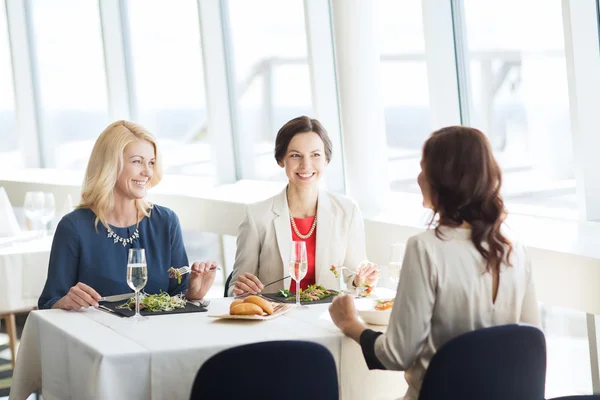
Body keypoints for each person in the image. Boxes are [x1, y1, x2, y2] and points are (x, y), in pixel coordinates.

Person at [328, 126, 540, 400]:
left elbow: (397, 355)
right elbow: (530, 341)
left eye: (423, 167)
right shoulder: (516, 251)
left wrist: (351, 324)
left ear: (443, 180)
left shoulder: (425, 248)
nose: (418, 177)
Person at [38, 120, 216, 310]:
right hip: (97, 336)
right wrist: (65, 302)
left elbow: (177, 297)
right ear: (110, 165)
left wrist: (193, 294)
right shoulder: (74, 227)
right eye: (137, 161)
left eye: (151, 162)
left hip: (157, 336)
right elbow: (49, 303)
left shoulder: (165, 221)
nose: (148, 172)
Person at [229, 116, 379, 296]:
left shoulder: (347, 211)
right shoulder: (257, 216)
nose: (306, 165)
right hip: (273, 318)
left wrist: (363, 281)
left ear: (326, 159)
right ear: (281, 160)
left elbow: (356, 280)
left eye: (315, 155)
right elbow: (235, 289)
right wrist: (242, 290)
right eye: (295, 155)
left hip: (326, 317)